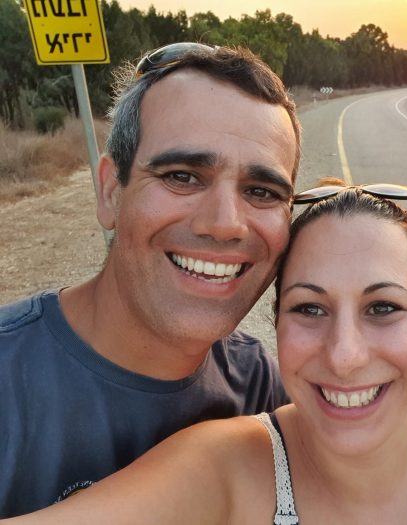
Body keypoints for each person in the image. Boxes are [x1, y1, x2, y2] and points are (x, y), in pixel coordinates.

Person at [3, 182, 407, 524]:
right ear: (276, 325)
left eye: (383, 309)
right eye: (310, 309)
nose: (345, 355)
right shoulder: (231, 469)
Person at [0, 43, 301, 517]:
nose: (225, 224)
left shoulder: (256, 385)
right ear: (110, 192)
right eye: (182, 176)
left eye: (261, 191)